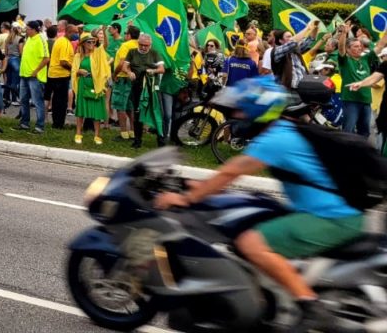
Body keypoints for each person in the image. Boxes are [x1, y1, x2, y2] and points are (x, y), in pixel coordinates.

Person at [155, 79, 363, 332]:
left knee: (250, 243)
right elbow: (226, 176)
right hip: (327, 212)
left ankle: (311, 306)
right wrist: (191, 184)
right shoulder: (283, 130)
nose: (236, 115)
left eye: (241, 110)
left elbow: (229, 173)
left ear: (258, 111)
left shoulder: (274, 140)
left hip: (331, 218)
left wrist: (185, 198)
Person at [121, 33, 166, 148]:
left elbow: (162, 69)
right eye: (141, 45)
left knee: (157, 113)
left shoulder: (155, 53)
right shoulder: (132, 52)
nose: (143, 47)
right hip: (136, 87)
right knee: (137, 113)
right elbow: (124, 66)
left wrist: (153, 71)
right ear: (138, 43)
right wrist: (129, 72)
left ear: (150, 45)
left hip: (151, 88)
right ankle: (137, 141)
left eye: (146, 45)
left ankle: (161, 141)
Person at [333, 24, 376, 137]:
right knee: (348, 131)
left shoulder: (365, 58)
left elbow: (379, 46)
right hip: (351, 101)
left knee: (364, 132)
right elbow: (341, 48)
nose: (360, 48)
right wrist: (344, 33)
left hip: (366, 100)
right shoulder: (345, 61)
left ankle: (362, 154)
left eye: (360, 46)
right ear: (348, 49)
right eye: (356, 46)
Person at [71, 35, 111, 145]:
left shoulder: (97, 54)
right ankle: (78, 133)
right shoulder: (78, 56)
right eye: (89, 42)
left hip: (95, 84)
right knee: (81, 110)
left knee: (96, 111)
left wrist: (103, 31)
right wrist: (79, 71)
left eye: (93, 42)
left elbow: (105, 46)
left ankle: (97, 136)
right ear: (83, 43)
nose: (91, 44)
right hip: (82, 83)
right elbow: (73, 71)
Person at [18, 19, 49, 133]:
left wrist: (36, 71)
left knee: (37, 101)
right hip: (24, 74)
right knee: (23, 99)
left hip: (35, 76)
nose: (26, 30)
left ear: (34, 30)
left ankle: (39, 126)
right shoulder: (28, 39)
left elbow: (46, 58)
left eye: (28, 28)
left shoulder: (41, 39)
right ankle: (24, 123)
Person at [111, 27, 141, 141]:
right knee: (130, 107)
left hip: (123, 78)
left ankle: (123, 133)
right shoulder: (138, 45)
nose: (124, 35)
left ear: (129, 35)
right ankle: (132, 132)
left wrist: (114, 74)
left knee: (120, 107)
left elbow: (122, 63)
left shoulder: (126, 45)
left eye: (125, 33)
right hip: (133, 79)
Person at [46, 23, 74, 129]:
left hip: (54, 74)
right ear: (68, 32)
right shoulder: (65, 43)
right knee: (61, 101)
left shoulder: (59, 40)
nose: (76, 35)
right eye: (74, 32)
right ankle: (59, 124)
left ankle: (56, 123)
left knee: (56, 100)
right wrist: (73, 69)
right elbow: (63, 62)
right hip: (61, 75)